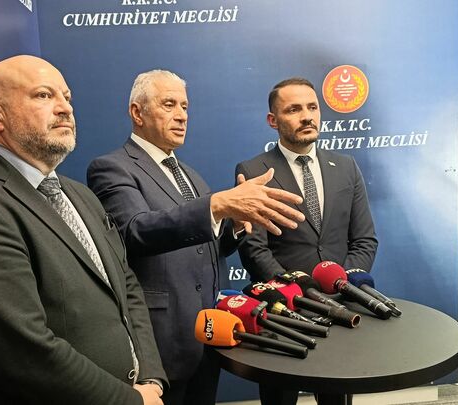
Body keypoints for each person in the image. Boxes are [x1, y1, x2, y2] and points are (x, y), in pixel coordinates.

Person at [0, 55, 167, 405]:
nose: (65, 108)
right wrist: (131, 401)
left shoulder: (80, 195)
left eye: (66, 97)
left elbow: (125, 284)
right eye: (43, 95)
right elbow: (24, 352)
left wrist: (151, 378)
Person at [87, 70, 305, 405]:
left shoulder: (190, 175)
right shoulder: (112, 168)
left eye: (185, 107)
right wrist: (216, 205)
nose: (181, 116)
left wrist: (234, 225)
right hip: (161, 341)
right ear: (137, 112)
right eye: (169, 104)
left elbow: (208, 248)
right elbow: (135, 231)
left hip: (209, 335)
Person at [235, 77, 378, 405]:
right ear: (273, 120)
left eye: (312, 107)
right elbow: (253, 247)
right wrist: (297, 294)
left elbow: (364, 240)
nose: (307, 116)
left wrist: (342, 287)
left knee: (336, 399)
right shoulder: (255, 170)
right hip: (283, 312)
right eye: (294, 109)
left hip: (340, 307)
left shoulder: (346, 167)